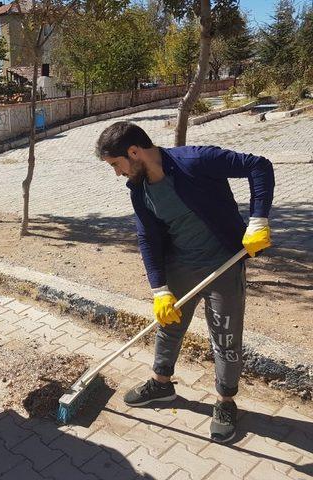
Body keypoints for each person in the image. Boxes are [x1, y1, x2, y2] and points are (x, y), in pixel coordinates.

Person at [95, 121, 274, 444]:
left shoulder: (195, 161)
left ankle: (225, 402)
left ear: (133, 152)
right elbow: (147, 237)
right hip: (180, 265)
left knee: (225, 335)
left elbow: (258, 166)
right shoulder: (140, 189)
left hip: (224, 264)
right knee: (169, 325)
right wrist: (159, 289)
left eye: (115, 164)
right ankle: (161, 384)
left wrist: (258, 219)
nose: (117, 173)